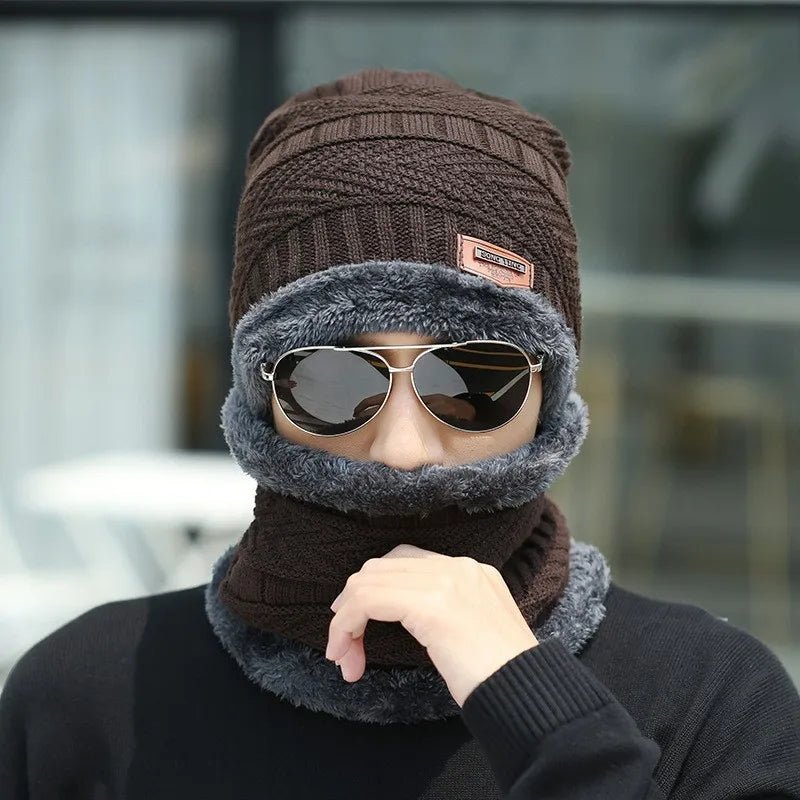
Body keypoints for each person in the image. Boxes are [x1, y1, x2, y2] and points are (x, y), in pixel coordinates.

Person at [1, 66, 798, 800]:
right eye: (332, 380)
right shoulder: (86, 699)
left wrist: (543, 713)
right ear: (260, 395)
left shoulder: (710, 702)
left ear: (548, 393)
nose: (403, 451)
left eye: (475, 382)